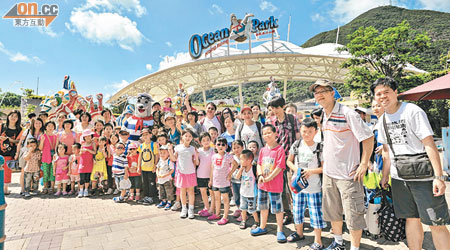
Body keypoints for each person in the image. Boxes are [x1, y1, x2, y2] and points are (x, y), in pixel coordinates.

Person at [372, 77, 450, 250]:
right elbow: (387, 151)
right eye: (378, 94)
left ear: (396, 92)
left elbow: (429, 144)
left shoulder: (412, 111)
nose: (383, 96)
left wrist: (438, 176)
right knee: (411, 219)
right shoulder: (382, 119)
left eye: (386, 92)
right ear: (375, 98)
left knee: (436, 222)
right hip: (399, 178)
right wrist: (385, 176)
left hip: (424, 177)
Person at [310, 79, 374, 250]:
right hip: (329, 173)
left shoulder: (348, 113)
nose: (319, 95)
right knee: (333, 212)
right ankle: (338, 242)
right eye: (316, 92)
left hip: (348, 174)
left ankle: (354, 247)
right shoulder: (324, 114)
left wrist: (363, 164)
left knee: (353, 215)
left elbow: (368, 138)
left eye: (323, 91)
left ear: (333, 93)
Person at [286, 118, 326, 249]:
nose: (306, 134)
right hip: (298, 187)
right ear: (300, 130)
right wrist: (296, 169)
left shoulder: (319, 147)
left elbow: (324, 168)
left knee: (316, 214)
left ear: (316, 131)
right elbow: (289, 161)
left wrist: (311, 171)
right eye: (304, 131)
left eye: (310, 131)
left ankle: (318, 240)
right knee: (297, 211)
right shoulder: (296, 145)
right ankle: (299, 233)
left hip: (314, 188)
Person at [251, 124, 287, 243]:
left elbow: (280, 167)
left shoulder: (280, 150)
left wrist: (269, 177)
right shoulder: (262, 150)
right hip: (262, 184)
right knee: (263, 206)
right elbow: (259, 164)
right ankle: (262, 227)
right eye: (264, 133)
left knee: (277, 208)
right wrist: (261, 175)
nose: (266, 135)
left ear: (275, 133)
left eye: (269, 132)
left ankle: (280, 230)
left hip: (275, 185)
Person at [267, 97, 300, 225]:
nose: (274, 110)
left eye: (277, 107)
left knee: (293, 187)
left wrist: (295, 157)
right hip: (277, 160)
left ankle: (298, 213)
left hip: (291, 160)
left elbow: (298, 140)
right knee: (280, 188)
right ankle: (288, 213)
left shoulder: (292, 119)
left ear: (283, 107)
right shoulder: (272, 121)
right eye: (272, 108)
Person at [169, 130, 199, 219]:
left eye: (190, 136)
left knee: (191, 192)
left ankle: (191, 209)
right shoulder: (178, 147)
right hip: (181, 173)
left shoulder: (193, 148)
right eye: (186, 136)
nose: (188, 138)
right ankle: (184, 209)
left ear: (192, 138)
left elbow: (196, 162)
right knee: (182, 192)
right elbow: (174, 159)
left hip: (190, 172)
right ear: (182, 137)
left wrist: (197, 155)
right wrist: (170, 151)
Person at [208, 137, 236, 225]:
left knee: (225, 199)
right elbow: (212, 168)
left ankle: (225, 216)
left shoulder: (229, 156)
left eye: (223, 144)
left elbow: (236, 164)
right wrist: (210, 179)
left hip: (224, 181)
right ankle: (217, 214)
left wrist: (230, 174)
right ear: (215, 145)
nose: (220, 146)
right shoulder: (214, 156)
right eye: (218, 144)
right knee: (217, 198)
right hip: (215, 181)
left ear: (226, 146)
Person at [236, 149, 259, 230]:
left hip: (251, 194)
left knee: (252, 210)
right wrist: (241, 169)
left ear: (249, 160)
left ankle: (256, 221)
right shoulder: (242, 169)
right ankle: (244, 220)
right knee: (243, 208)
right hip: (243, 193)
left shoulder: (254, 169)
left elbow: (258, 177)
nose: (240, 161)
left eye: (242, 159)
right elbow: (237, 177)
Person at [0, 110, 23, 194]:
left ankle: (5, 189)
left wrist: (9, 140)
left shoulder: (19, 129)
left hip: (10, 153)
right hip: (0, 152)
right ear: (8, 116)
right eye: (12, 115)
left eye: (16, 116)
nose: (13, 118)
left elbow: (19, 142)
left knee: (7, 171)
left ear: (18, 119)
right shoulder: (1, 126)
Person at [137, 127, 159, 205]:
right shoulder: (142, 146)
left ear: (150, 135)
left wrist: (155, 165)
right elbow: (140, 156)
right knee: (145, 183)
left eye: (147, 134)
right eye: (143, 135)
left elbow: (156, 155)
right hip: (144, 167)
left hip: (151, 168)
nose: (145, 136)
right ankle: (146, 196)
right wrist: (138, 167)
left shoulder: (153, 144)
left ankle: (151, 197)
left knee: (151, 183)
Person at [197, 132, 215, 217]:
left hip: (211, 175)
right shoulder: (199, 151)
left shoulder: (213, 150)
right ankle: (206, 207)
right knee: (203, 192)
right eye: (203, 140)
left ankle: (212, 209)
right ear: (200, 142)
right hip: (201, 174)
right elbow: (197, 163)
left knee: (212, 193)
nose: (206, 142)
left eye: (208, 139)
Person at [39, 121, 57, 194]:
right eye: (49, 126)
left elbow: (56, 147)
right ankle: (45, 187)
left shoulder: (56, 136)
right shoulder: (43, 136)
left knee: (53, 172)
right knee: (45, 172)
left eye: (52, 126)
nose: (50, 128)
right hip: (45, 157)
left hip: (54, 157)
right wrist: (42, 141)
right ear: (46, 127)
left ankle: (52, 187)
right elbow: (40, 148)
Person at [78, 129, 96, 198]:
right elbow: (80, 153)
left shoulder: (93, 144)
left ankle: (86, 190)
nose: (88, 138)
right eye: (86, 136)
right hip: (82, 162)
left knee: (87, 177)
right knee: (82, 177)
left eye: (89, 136)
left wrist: (88, 150)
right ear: (84, 137)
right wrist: (81, 152)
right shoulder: (82, 144)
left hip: (89, 162)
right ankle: (81, 190)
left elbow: (94, 152)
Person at [155, 145, 175, 209]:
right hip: (160, 180)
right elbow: (157, 168)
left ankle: (169, 202)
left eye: (164, 153)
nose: (162, 154)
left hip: (167, 179)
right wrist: (157, 174)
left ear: (168, 153)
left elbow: (172, 170)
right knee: (161, 191)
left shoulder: (169, 161)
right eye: (161, 153)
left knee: (168, 191)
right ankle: (163, 201)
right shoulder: (160, 161)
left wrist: (165, 175)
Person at [231, 140, 244, 221]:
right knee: (236, 196)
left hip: (243, 181)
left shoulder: (244, 157)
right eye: (234, 148)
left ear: (242, 148)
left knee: (243, 197)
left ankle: (244, 213)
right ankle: (239, 208)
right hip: (234, 180)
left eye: (238, 148)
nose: (236, 150)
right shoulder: (232, 157)